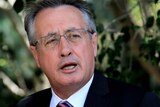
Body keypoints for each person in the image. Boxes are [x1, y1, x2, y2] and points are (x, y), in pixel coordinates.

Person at [14, 0, 160, 107]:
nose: (65, 50)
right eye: (51, 40)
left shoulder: (140, 103)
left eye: (74, 35)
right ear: (36, 55)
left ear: (93, 44)